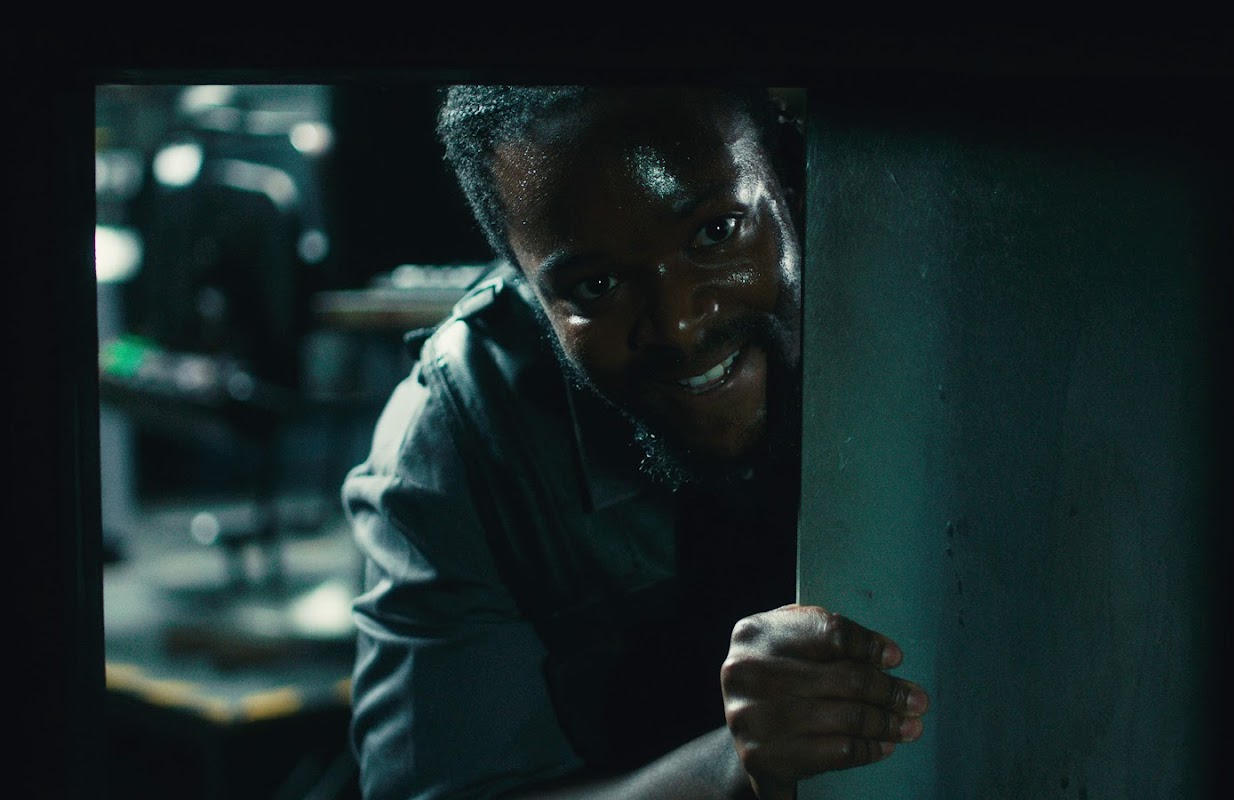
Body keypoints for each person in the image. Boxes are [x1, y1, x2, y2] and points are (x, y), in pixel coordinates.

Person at [343, 86, 931, 800]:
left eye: (715, 234)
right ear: (527, 286)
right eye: (595, 286)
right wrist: (733, 767)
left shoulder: (941, 307)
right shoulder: (460, 439)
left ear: (790, 179)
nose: (678, 325)